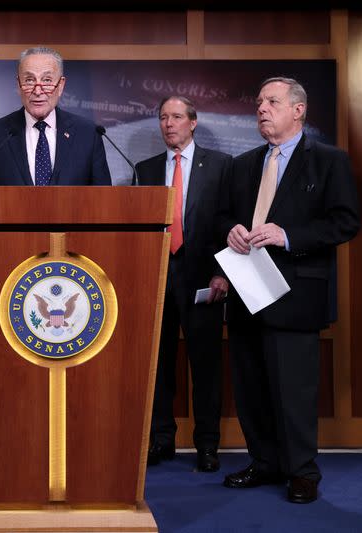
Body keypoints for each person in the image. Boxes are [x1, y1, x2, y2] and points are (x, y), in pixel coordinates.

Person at [218, 77, 360, 503]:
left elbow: (345, 222)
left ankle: (302, 473)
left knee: (293, 391)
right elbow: (223, 217)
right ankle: (265, 463)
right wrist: (232, 232)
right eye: (259, 101)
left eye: (272, 101)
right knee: (251, 388)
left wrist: (287, 235)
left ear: (298, 110)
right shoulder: (243, 164)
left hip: (296, 295)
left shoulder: (329, 161)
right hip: (246, 294)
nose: (261, 107)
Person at [136, 96, 231, 472]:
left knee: (205, 365)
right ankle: (162, 440)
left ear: (193, 122)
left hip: (204, 278)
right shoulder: (144, 169)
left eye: (176, 117)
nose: (168, 124)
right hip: (157, 280)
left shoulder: (222, 166)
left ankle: (207, 445)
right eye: (162, 117)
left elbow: (231, 221)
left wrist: (224, 273)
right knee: (157, 366)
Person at [0, 46, 111, 186]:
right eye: (29, 80)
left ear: (60, 86)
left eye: (47, 80)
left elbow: (104, 200)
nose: (38, 91)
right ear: (19, 85)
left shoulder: (87, 134)